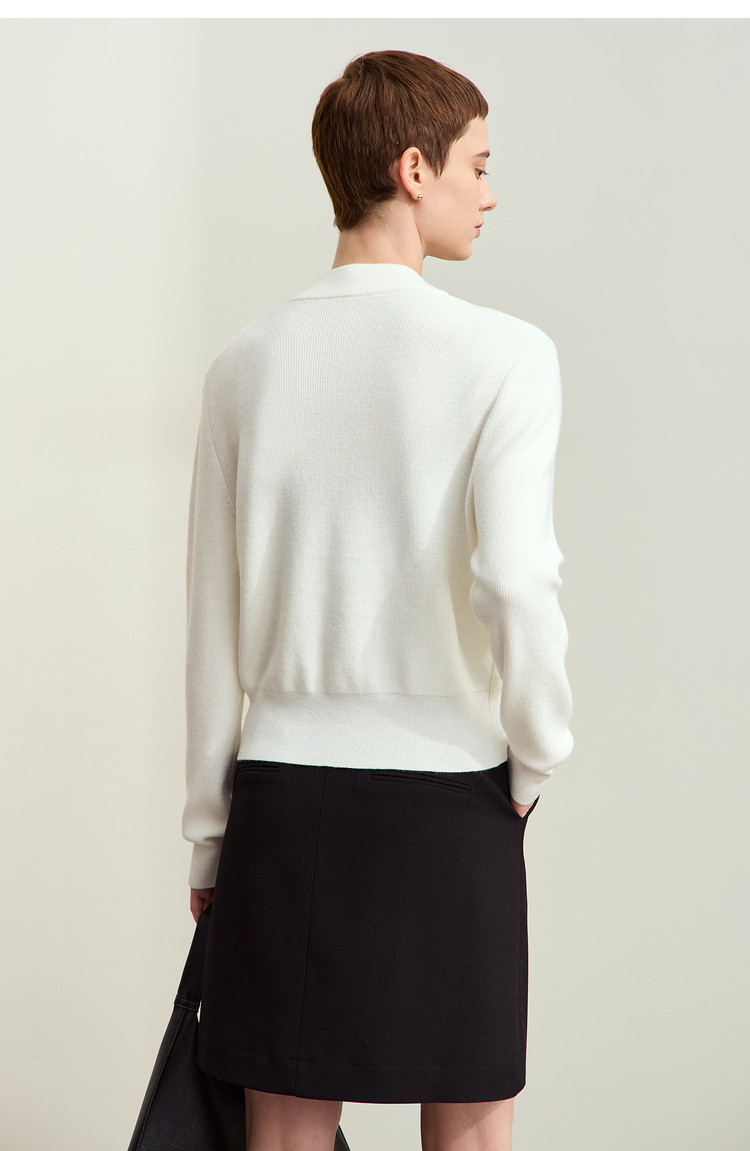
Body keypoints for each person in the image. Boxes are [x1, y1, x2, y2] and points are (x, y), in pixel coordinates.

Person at [181, 49, 573, 1151]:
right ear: (413, 169)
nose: (488, 193)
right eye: (477, 166)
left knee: (284, 1131)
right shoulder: (506, 355)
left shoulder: (243, 364)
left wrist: (209, 836)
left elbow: (211, 624)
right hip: (451, 797)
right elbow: (517, 579)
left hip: (282, 804)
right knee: (472, 1126)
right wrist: (536, 754)